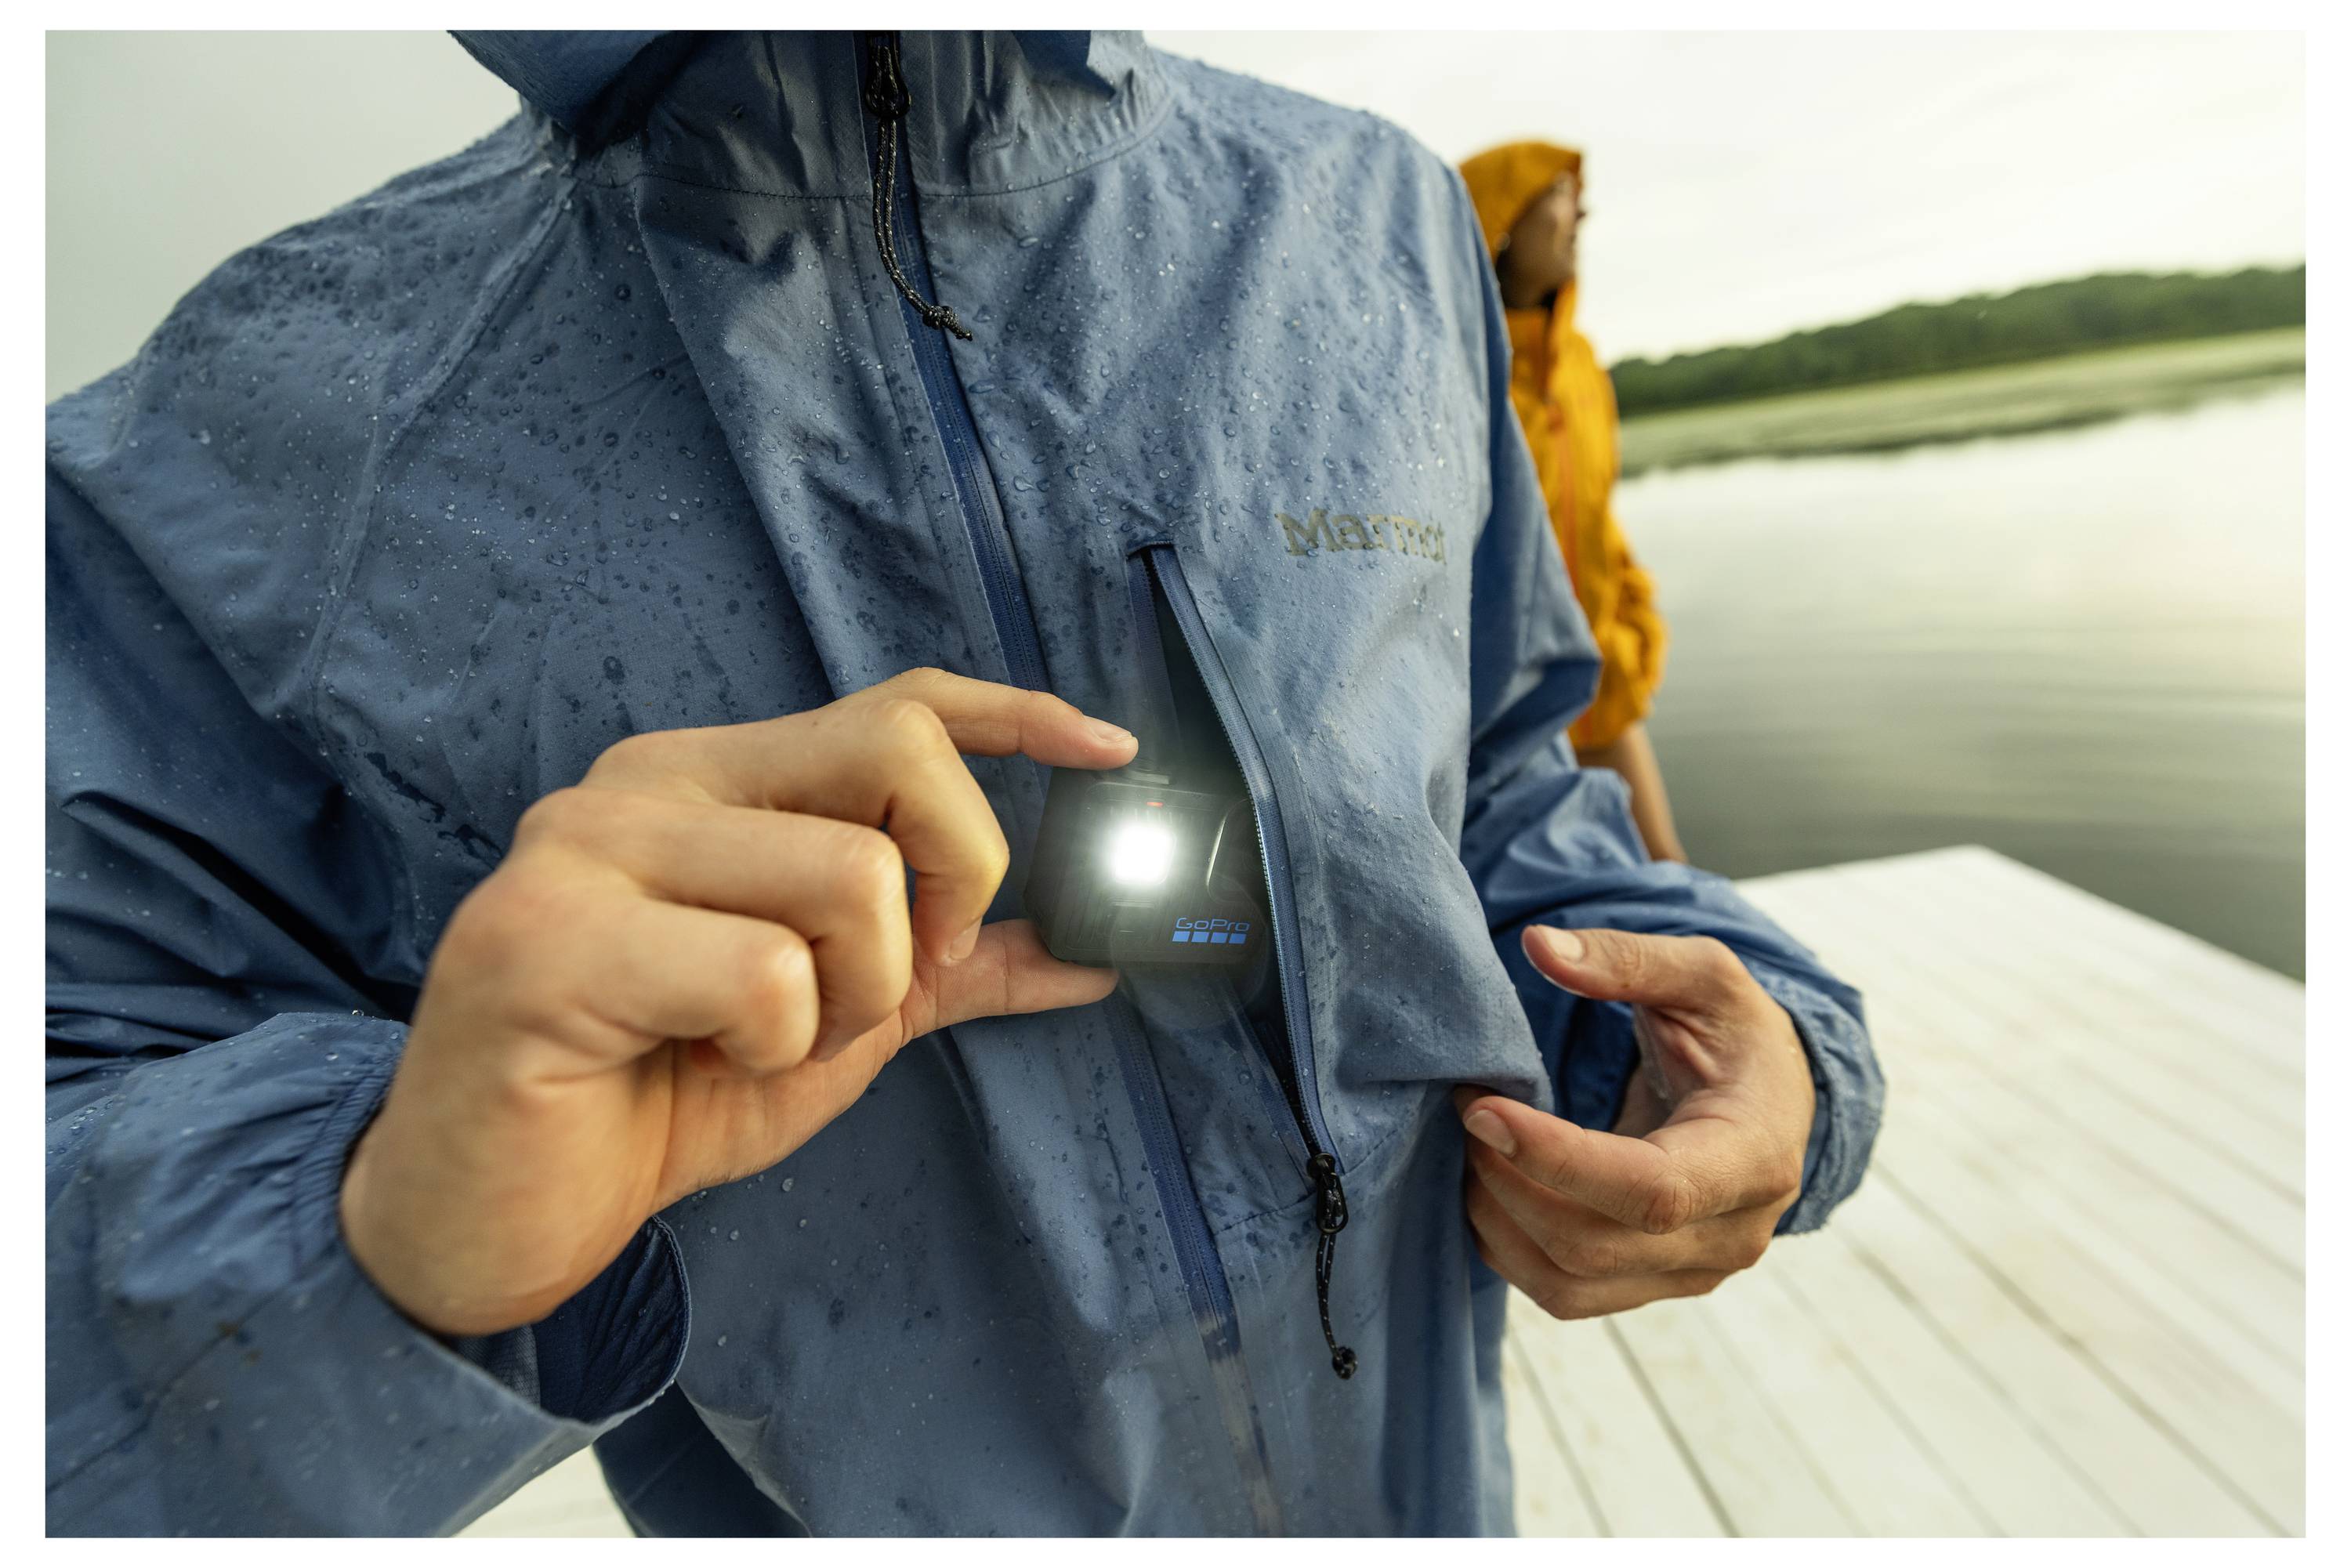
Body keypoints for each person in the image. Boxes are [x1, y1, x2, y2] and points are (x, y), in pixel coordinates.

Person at [45, 31, 1882, 1536]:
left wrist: (1722, 1050)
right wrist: (381, 1231)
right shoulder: (225, 453)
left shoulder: (1380, 216)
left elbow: (1498, 796)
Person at [1460, 141, 1686, 862]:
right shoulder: (1456, 371)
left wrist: (1632, 616)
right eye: (1560, 192)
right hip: (1501, 718)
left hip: (1601, 682)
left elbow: (1597, 515)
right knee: (1545, 907)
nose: (1581, 212)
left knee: (1667, 871)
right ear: (1500, 218)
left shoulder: (1583, 363)